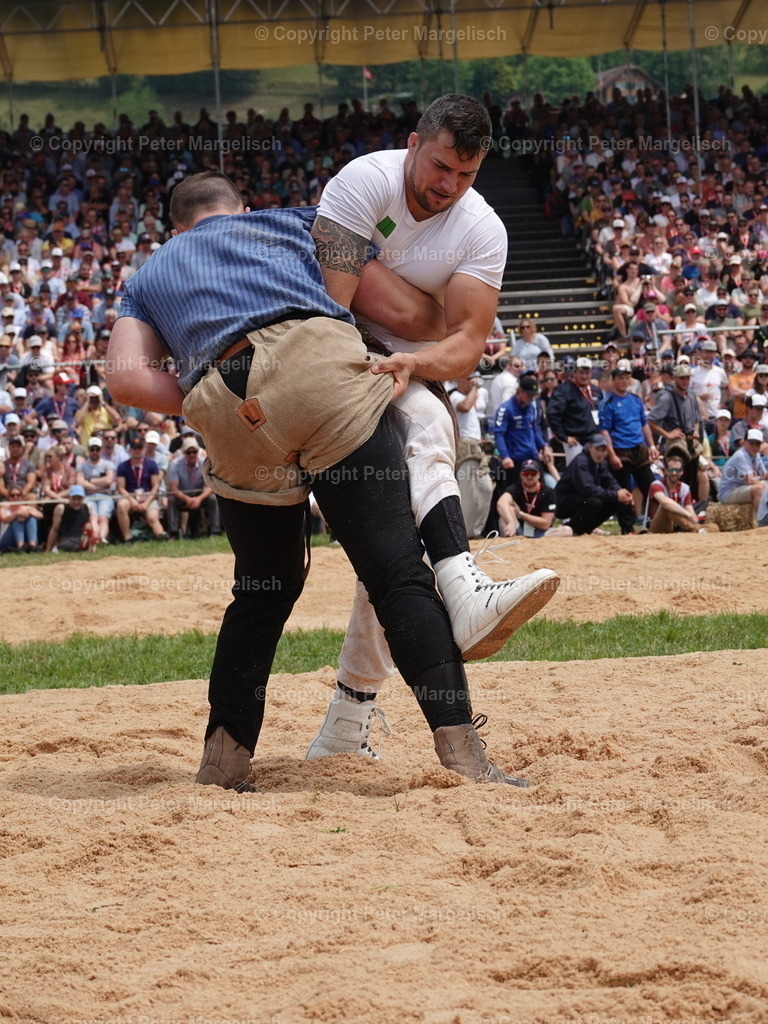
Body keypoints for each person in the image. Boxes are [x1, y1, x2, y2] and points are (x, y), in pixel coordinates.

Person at [106, 170, 545, 791]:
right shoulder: (292, 220)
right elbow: (394, 309)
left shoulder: (149, 276)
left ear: (176, 228)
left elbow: (123, 379)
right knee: (397, 573)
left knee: (261, 591)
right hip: (319, 373)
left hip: (224, 406)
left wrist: (217, 398)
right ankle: (464, 756)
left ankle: (224, 764)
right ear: (242, 207)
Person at [306, 94, 558, 759]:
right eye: (441, 166)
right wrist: (420, 318)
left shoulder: (483, 228)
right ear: (415, 142)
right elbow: (332, 306)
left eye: (465, 176)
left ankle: (347, 720)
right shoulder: (364, 180)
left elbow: (465, 344)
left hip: (408, 370)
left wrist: (413, 345)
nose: (447, 186)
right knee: (418, 442)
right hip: (333, 355)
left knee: (389, 547)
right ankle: (461, 581)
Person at [598, 360, 659, 508]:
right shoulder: (608, 403)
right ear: (613, 380)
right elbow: (604, 430)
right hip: (621, 449)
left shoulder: (636, 400)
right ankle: (627, 527)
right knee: (624, 491)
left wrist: (651, 445)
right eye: (620, 378)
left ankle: (657, 520)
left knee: (651, 487)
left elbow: (644, 423)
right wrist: (611, 454)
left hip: (638, 447)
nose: (624, 381)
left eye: (626, 378)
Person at [553, 434, 637, 536]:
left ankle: (584, 530)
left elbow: (610, 482)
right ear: (590, 447)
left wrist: (622, 493)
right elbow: (587, 489)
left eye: (603, 450)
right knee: (595, 502)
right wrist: (616, 495)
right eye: (597, 449)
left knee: (614, 501)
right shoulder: (581, 461)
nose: (600, 453)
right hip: (562, 503)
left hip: (579, 499)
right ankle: (572, 528)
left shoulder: (601, 463)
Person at [546, 357, 604, 467]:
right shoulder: (564, 390)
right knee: (577, 474)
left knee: (597, 473)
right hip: (576, 442)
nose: (584, 376)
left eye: (587, 373)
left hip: (595, 440)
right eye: (581, 373)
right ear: (574, 372)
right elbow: (552, 414)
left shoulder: (595, 390)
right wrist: (564, 437)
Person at [166, 435, 222, 538]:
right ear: (183, 453)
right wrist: (188, 499)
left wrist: (198, 499)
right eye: (188, 452)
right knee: (172, 499)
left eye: (194, 451)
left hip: (200, 495)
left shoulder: (204, 463)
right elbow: (173, 489)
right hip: (182, 495)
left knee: (213, 499)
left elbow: (211, 486)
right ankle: (173, 533)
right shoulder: (175, 464)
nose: (192, 455)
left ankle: (215, 531)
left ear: (198, 451)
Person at [647, 454, 718, 534]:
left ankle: (698, 529)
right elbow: (665, 502)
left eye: (677, 470)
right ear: (666, 470)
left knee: (714, 526)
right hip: (658, 525)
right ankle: (696, 529)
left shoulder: (684, 488)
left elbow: (689, 508)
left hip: (678, 524)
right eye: (671, 469)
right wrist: (687, 514)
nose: (674, 473)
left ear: (682, 472)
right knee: (668, 508)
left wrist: (693, 517)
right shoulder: (656, 485)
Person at [115, 436, 167, 542]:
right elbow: (120, 487)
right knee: (121, 505)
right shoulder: (123, 466)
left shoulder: (152, 464)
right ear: (130, 450)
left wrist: (146, 503)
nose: (137, 451)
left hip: (148, 495)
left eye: (139, 448)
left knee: (152, 517)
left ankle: (161, 536)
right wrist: (132, 500)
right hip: (130, 496)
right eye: (134, 448)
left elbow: (155, 486)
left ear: (143, 449)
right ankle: (127, 538)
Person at [496, 459, 556, 538]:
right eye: (526, 473)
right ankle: (510, 541)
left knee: (566, 530)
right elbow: (501, 503)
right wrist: (510, 522)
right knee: (507, 511)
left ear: (538, 475)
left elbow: (545, 524)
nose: (529, 476)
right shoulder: (515, 488)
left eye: (533, 473)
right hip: (519, 530)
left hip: (540, 532)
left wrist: (521, 514)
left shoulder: (548, 492)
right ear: (521, 475)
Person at [718, 428, 768, 514]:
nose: (755, 447)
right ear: (744, 442)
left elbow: (765, 474)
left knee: (762, 487)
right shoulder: (741, 455)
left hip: (741, 487)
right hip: (728, 492)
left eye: (757, 444)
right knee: (759, 489)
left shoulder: (756, 454)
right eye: (752, 443)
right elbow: (751, 480)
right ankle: (763, 521)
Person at [76, 435, 115, 543]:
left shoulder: (108, 464)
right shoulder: (82, 466)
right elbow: (80, 482)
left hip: (105, 496)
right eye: (92, 449)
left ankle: (101, 538)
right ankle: (96, 538)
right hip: (88, 496)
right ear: (89, 450)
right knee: (93, 517)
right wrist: (99, 485)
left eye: (97, 449)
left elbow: (109, 480)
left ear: (101, 450)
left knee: (103, 518)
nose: (94, 452)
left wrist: (91, 482)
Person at [46, 484, 94, 552]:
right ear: (69, 498)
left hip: (81, 540)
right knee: (66, 545)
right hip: (65, 540)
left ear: (83, 498)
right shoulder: (61, 509)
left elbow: (93, 527)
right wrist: (48, 549)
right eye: (74, 498)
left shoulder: (88, 508)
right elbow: (54, 530)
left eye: (79, 499)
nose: (76, 502)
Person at [0, 484, 43, 552]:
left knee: (31, 519)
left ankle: (32, 545)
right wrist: (17, 514)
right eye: (12, 495)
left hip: (26, 538)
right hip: (6, 539)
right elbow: (4, 519)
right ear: (9, 497)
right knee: (17, 521)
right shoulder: (4, 508)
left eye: (18, 495)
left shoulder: (27, 508)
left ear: (22, 497)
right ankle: (20, 547)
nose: (15, 497)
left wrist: (29, 514)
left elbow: (40, 515)